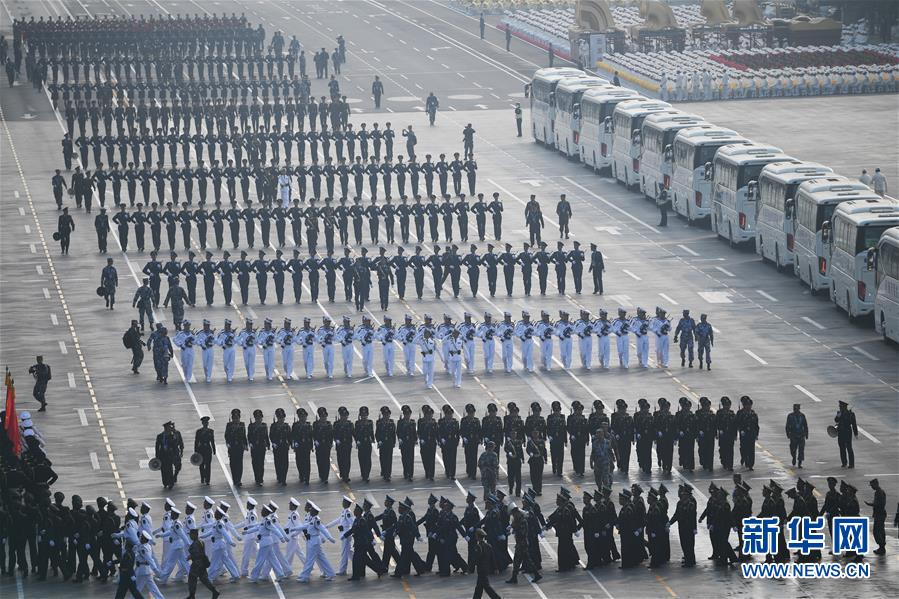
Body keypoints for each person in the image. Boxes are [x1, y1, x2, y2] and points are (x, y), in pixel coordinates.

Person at [186, 528, 219, 598]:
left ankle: (192, 595)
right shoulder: (201, 541)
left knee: (192, 579)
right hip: (202, 564)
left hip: (196, 564)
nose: (190, 536)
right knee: (204, 579)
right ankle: (214, 591)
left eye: (191, 535)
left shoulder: (195, 544)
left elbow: (197, 554)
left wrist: (190, 556)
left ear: (195, 535)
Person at [471, 529, 500, 598]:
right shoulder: (488, 546)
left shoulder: (478, 547)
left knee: (486, 587)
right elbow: (493, 558)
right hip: (487, 568)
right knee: (479, 586)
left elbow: (475, 559)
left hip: (481, 569)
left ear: (478, 537)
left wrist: (470, 568)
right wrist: (495, 568)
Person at [834, 400, 858, 468]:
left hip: (847, 432)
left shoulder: (851, 414)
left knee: (849, 448)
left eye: (840, 406)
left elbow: (854, 424)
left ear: (844, 407)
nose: (839, 407)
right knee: (842, 448)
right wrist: (838, 415)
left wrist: (855, 433)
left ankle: (851, 464)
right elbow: (836, 420)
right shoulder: (839, 413)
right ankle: (844, 462)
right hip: (840, 432)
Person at [866, 479, 887, 555]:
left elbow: (878, 504)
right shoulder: (879, 492)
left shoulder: (879, 492)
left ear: (876, 484)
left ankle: (881, 547)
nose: (872, 487)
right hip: (879, 514)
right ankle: (882, 547)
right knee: (880, 530)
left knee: (877, 531)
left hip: (879, 514)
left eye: (872, 485)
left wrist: (870, 504)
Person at [785, 403, 808, 468]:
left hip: (801, 435)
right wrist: (788, 434)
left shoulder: (802, 416)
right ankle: (794, 457)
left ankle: (800, 463)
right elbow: (787, 426)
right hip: (793, 435)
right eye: (795, 409)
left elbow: (805, 425)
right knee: (793, 449)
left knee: (801, 450)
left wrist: (806, 434)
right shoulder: (790, 416)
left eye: (797, 409)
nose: (796, 410)